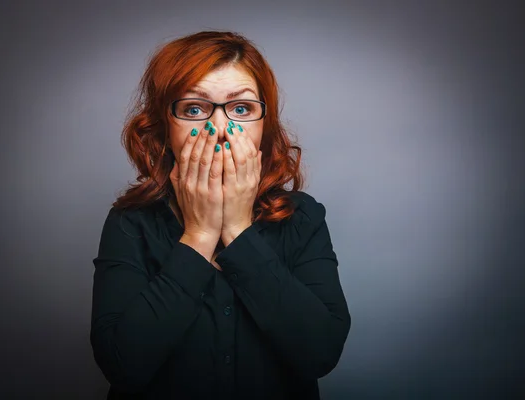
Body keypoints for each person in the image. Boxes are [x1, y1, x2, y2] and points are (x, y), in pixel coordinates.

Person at [90, 30, 351, 400]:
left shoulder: (302, 217)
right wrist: (199, 234)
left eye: (241, 108)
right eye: (194, 109)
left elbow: (320, 353)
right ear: (165, 127)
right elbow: (123, 365)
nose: (221, 128)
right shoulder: (131, 223)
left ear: (265, 124)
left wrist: (238, 230)